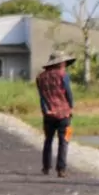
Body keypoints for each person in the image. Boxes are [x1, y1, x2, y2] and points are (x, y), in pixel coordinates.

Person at [35, 50, 75, 178]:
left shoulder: (40, 77)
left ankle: (46, 167)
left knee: (48, 140)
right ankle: (61, 169)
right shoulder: (63, 75)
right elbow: (68, 93)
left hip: (48, 114)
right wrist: (71, 106)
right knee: (64, 141)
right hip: (64, 113)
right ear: (61, 63)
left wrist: (45, 109)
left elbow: (42, 96)